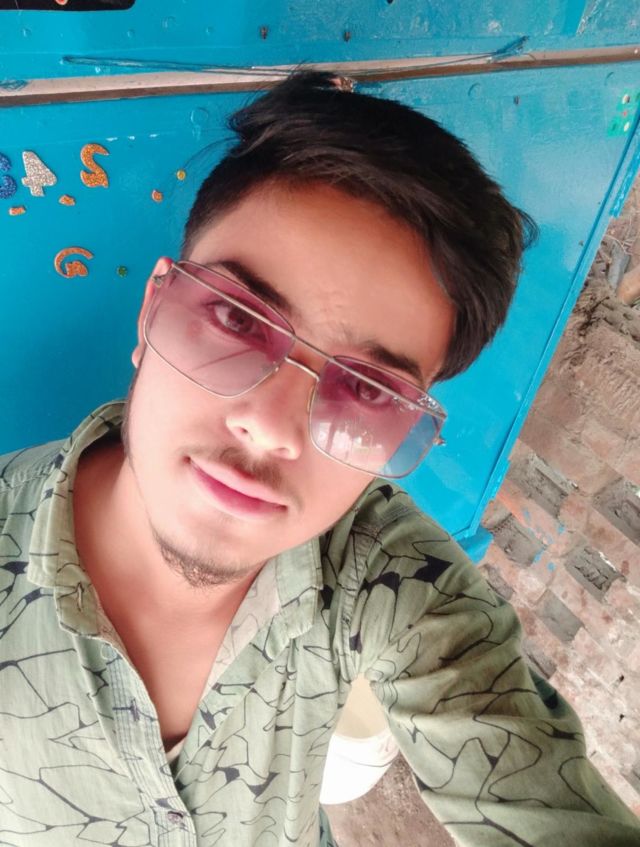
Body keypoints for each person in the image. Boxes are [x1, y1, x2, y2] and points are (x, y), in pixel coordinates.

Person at [0, 70, 638, 847]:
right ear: (153, 308)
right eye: (237, 318)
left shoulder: (388, 580)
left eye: (366, 389)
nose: (272, 427)